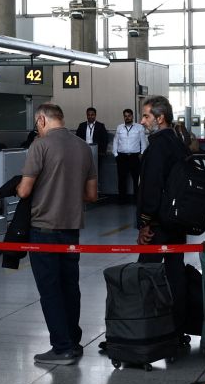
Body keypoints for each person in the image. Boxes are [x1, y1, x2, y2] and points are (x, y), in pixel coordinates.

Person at [16, 103, 97, 366]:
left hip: (43, 228)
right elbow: (91, 195)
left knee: (50, 289)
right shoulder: (84, 147)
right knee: (70, 286)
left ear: (41, 120)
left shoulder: (39, 146)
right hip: (71, 229)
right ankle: (73, 341)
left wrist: (18, 185)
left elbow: (25, 191)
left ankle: (61, 347)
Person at [135, 96, 189, 333]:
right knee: (175, 273)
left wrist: (145, 223)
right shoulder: (178, 142)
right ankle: (176, 327)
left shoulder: (157, 146)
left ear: (160, 118)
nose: (142, 121)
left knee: (145, 274)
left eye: (146, 116)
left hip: (158, 223)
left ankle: (143, 329)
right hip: (178, 220)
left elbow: (151, 187)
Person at [113, 108, 147, 202]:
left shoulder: (139, 127)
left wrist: (142, 154)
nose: (127, 118)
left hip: (134, 157)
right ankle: (122, 200)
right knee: (121, 179)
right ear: (123, 117)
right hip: (122, 157)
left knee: (136, 179)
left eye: (129, 116)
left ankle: (137, 199)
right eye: (125, 116)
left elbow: (143, 142)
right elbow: (115, 141)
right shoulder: (119, 127)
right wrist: (115, 154)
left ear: (132, 116)